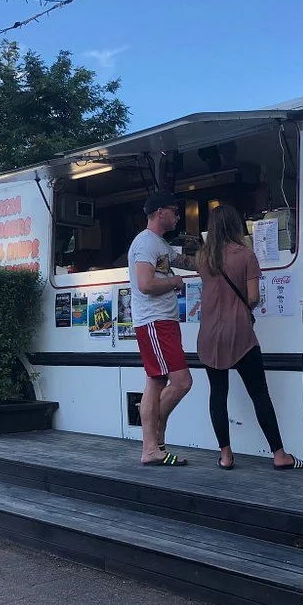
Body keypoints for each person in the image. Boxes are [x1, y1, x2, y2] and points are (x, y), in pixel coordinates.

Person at [196, 204, 303, 470]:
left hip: (209, 335)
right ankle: (279, 455)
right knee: (259, 393)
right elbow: (254, 297)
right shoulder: (246, 255)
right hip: (240, 334)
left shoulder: (203, 258)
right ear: (236, 225)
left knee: (217, 394)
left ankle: (225, 456)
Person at [128, 191, 197, 466]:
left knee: (156, 382)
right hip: (155, 321)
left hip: (161, 322)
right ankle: (152, 441)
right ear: (160, 212)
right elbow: (145, 284)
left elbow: (184, 262)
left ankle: (153, 446)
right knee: (182, 382)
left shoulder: (159, 244)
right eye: (175, 211)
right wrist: (174, 282)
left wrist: (216, 259)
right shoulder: (146, 243)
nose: (178, 216)